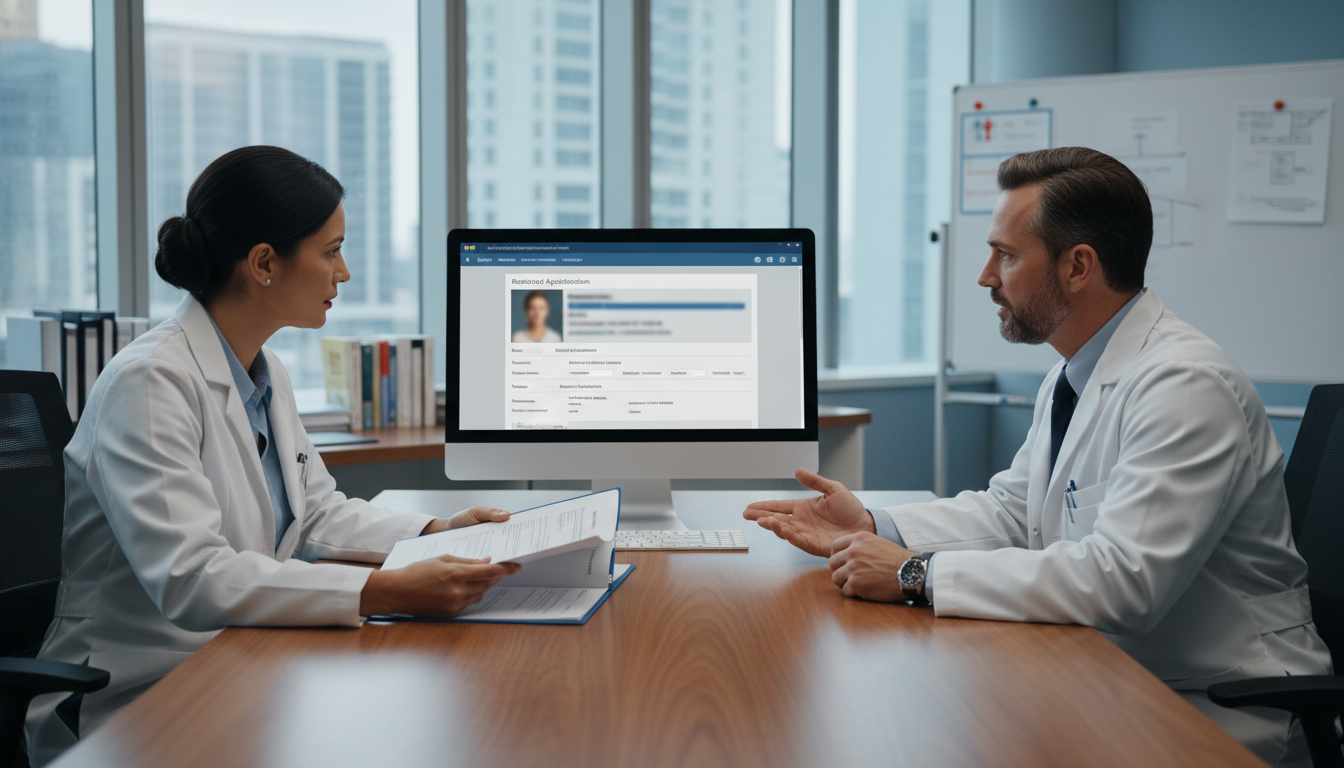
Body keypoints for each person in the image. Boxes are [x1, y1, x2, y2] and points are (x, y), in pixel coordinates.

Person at [744, 147, 1330, 767]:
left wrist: (916, 573)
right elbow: (1013, 512)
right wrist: (872, 526)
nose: (985, 276)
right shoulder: (1075, 374)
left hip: (1219, 702)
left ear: (1078, 266)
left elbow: (1125, 582)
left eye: (1006, 254)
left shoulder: (1184, 385)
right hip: (1112, 673)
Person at [25, 146, 522, 765]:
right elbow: (193, 576)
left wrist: (436, 528)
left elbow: (314, 516)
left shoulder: (264, 371)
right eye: (332, 251)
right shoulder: (150, 382)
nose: (344, 274)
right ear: (264, 262)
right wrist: (383, 591)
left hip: (240, 662)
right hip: (136, 696)